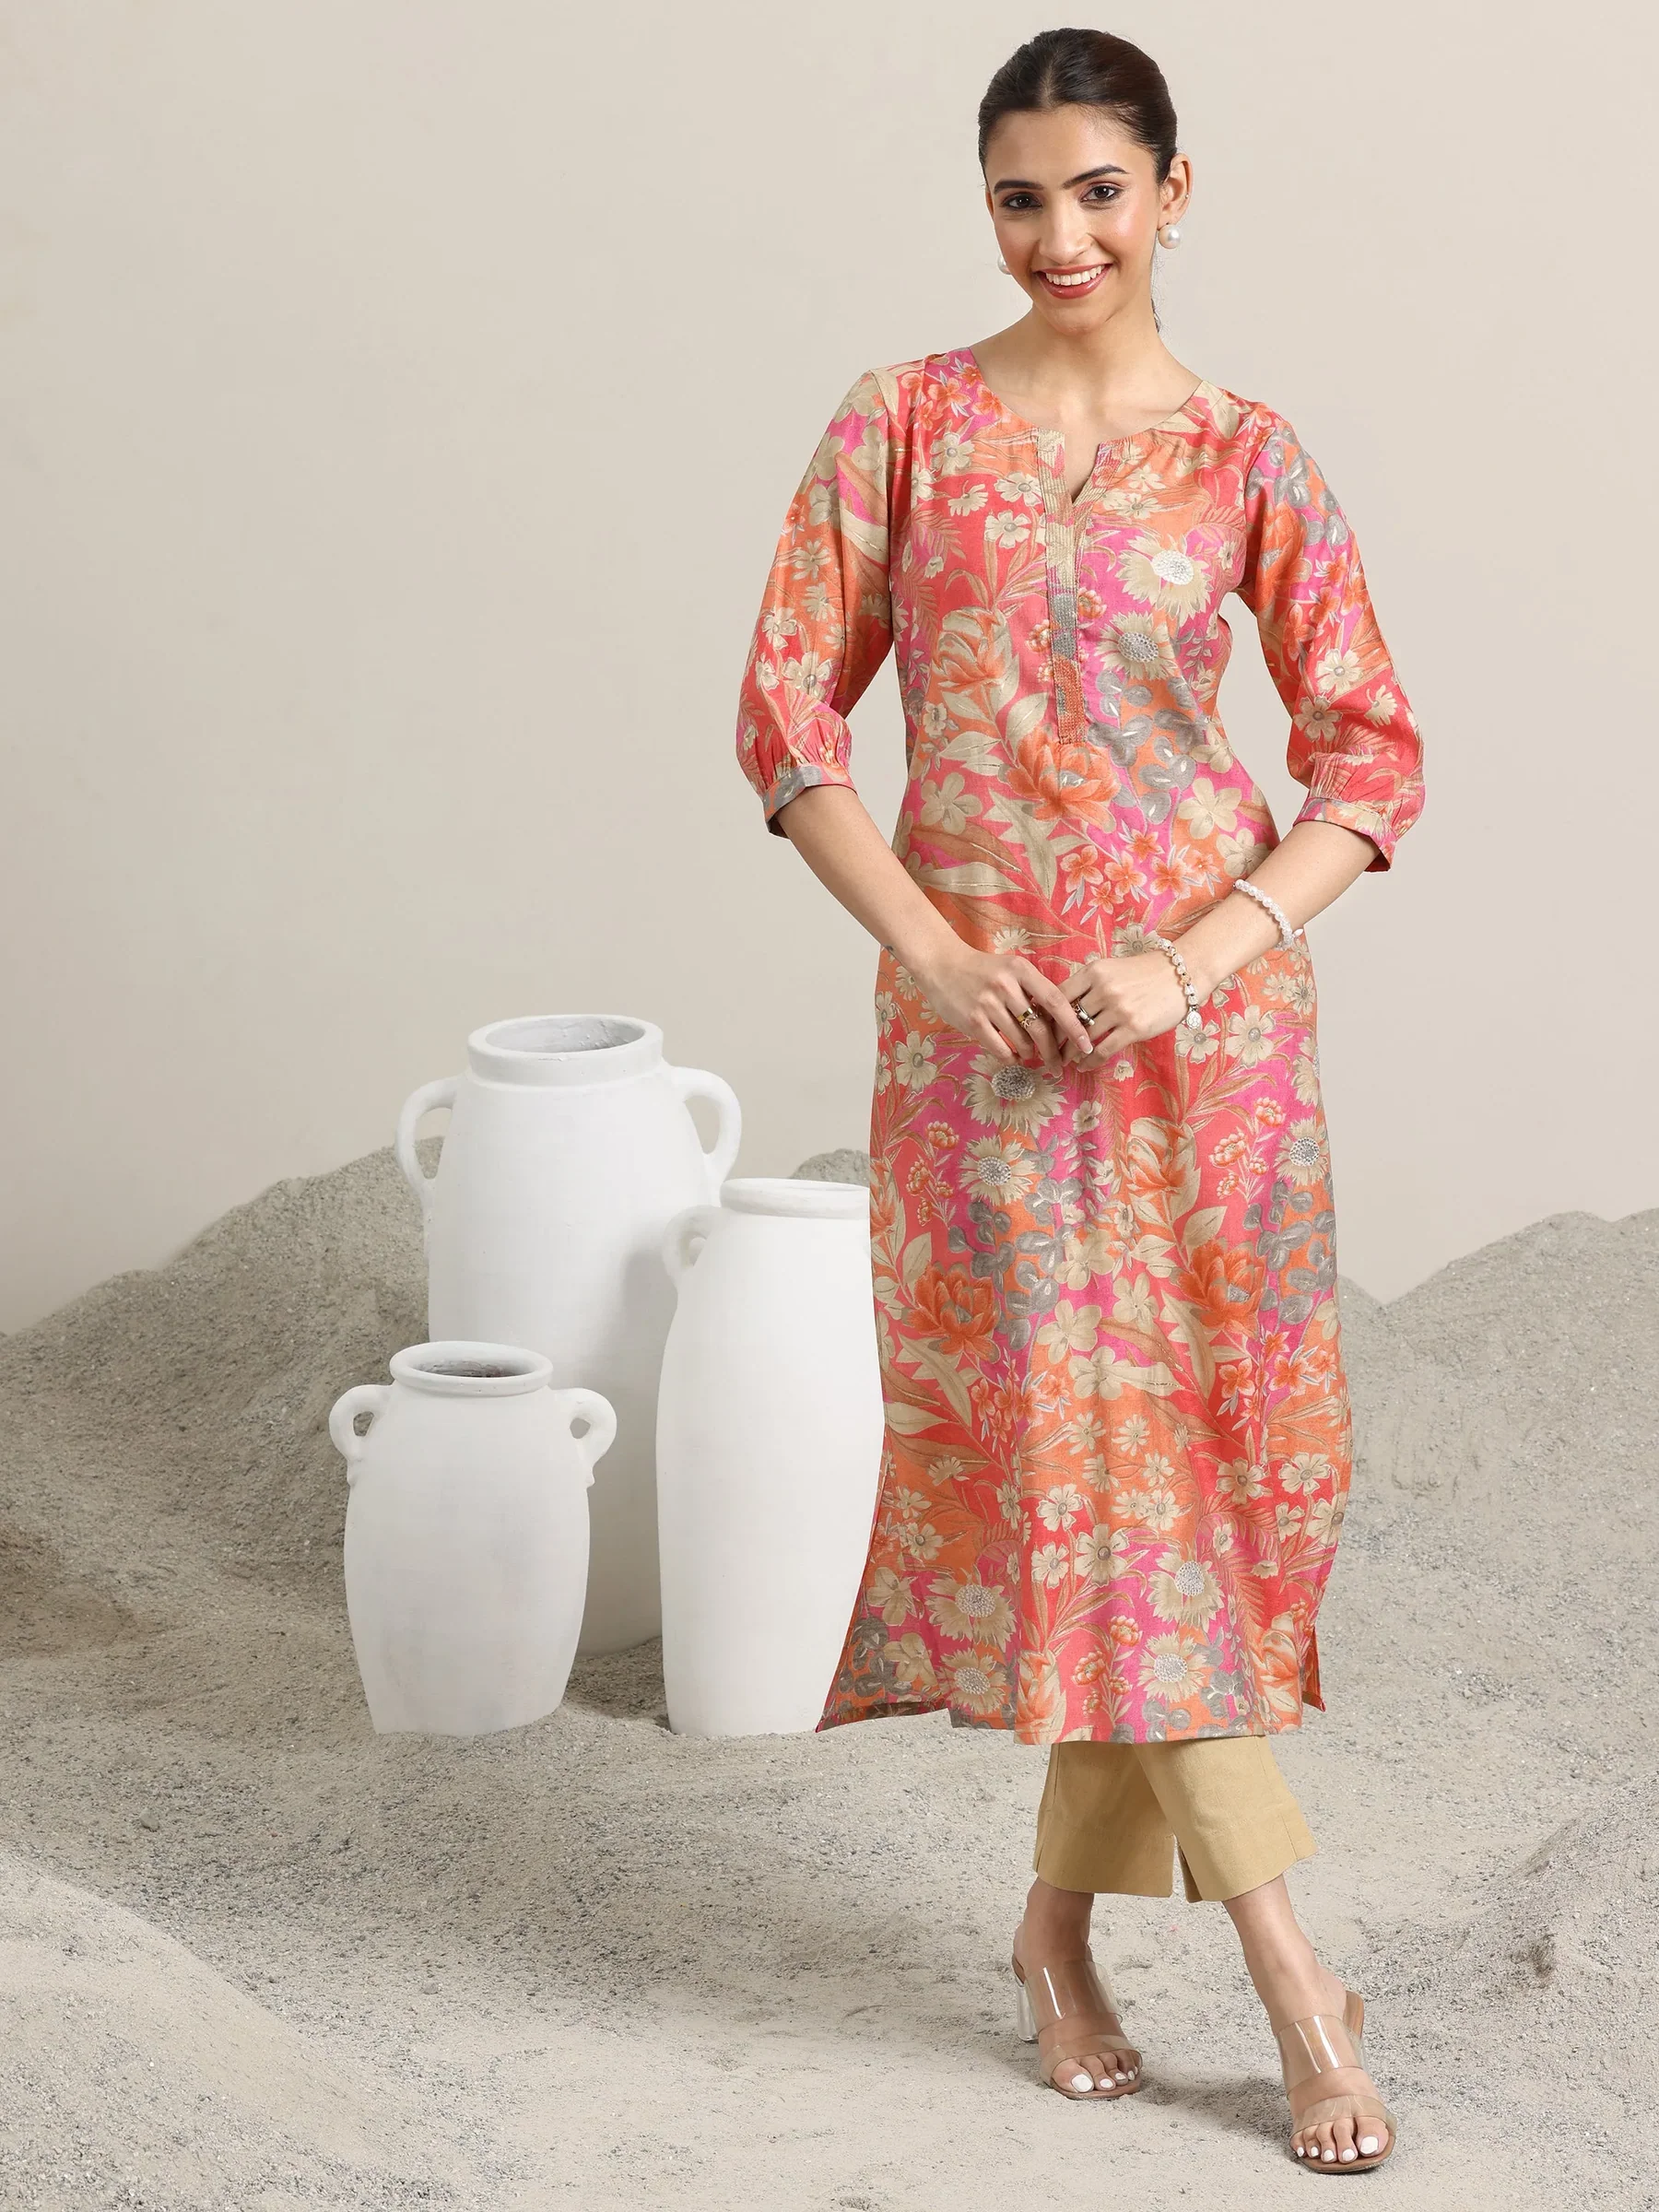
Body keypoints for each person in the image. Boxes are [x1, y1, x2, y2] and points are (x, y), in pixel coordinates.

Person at [735, 26, 1422, 2175]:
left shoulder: (1247, 457)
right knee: (1103, 1498)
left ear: (1173, 194)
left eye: (1101, 191)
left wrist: (1189, 961)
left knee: (1167, 1492)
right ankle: (1297, 1976)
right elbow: (782, 723)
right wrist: (939, 959)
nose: (1062, 235)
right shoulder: (903, 427)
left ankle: (1066, 1936)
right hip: (987, 1066)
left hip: (1205, 1064)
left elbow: (1372, 763)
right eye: (1022, 197)